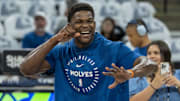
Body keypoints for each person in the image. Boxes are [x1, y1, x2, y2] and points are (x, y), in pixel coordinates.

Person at [20, 3, 158, 101]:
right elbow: (26, 69)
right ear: (69, 26)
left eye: (89, 21)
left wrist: (130, 73)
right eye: (79, 21)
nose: (85, 25)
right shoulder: (61, 51)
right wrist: (54, 40)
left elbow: (150, 64)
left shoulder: (114, 49)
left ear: (95, 24)